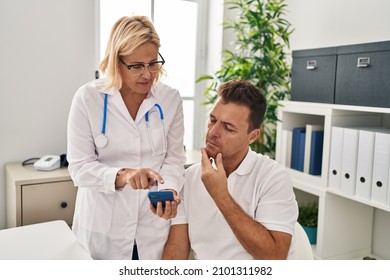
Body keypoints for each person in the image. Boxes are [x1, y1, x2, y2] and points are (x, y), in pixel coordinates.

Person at [67, 15, 185, 260]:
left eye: (153, 63)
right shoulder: (88, 98)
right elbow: (79, 168)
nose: (147, 74)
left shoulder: (170, 99)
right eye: (136, 66)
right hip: (103, 230)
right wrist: (124, 175)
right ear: (115, 62)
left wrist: (169, 192)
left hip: (152, 226)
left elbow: (174, 160)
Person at [162, 79, 298, 260]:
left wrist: (221, 196)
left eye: (228, 127)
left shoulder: (273, 178)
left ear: (252, 136)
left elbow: (274, 256)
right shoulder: (188, 178)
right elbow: (176, 251)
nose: (212, 132)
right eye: (212, 120)